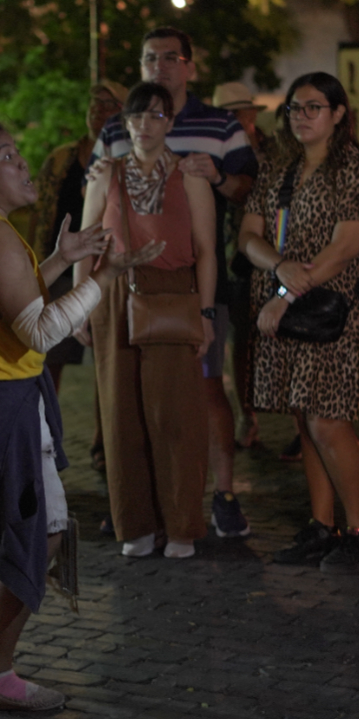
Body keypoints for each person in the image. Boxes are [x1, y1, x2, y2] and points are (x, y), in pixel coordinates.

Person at [0, 116, 158, 711]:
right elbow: (40, 331)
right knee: (41, 532)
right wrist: (105, 278)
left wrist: (53, 261)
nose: (23, 165)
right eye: (7, 156)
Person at [239, 72, 359, 572]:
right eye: (295, 107)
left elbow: (345, 250)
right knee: (303, 415)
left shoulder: (355, 171)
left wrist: (284, 293)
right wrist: (277, 267)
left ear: (339, 114)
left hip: (333, 311)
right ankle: (322, 527)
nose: (301, 116)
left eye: (313, 107)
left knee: (326, 418)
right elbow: (248, 236)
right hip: (287, 305)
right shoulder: (279, 168)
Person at [91, 27, 258, 538]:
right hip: (125, 283)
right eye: (149, 58)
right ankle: (140, 506)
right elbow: (94, 211)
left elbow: (249, 186)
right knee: (126, 398)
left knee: (202, 389)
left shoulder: (220, 124)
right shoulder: (118, 131)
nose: (159, 66)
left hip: (193, 280)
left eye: (170, 57)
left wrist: (215, 177)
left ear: (189, 65)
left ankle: (221, 493)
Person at [77, 81, 217, 560]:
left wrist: (207, 312)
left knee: (175, 414)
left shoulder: (190, 175)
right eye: (136, 116)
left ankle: (181, 524)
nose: (144, 125)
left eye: (156, 116)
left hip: (174, 294)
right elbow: (87, 239)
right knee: (120, 415)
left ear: (171, 122)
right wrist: (80, 302)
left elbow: (206, 250)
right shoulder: (104, 175)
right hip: (113, 295)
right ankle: (135, 523)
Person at [30, 81, 127, 393]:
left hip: (107, 268)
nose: (98, 111)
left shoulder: (128, 159)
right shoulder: (61, 159)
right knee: (50, 354)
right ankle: (43, 422)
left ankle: (104, 435)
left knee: (108, 359)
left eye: (108, 105)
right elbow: (39, 212)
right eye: (94, 104)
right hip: (62, 265)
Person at [213, 81, 272, 453]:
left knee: (277, 335)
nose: (238, 119)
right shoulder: (217, 153)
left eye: (242, 112)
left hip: (273, 256)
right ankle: (246, 414)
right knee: (241, 339)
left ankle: (295, 417)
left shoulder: (274, 150)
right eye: (230, 114)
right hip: (233, 259)